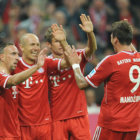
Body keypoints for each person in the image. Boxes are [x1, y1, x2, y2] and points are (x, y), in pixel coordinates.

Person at [64, 20, 140, 140]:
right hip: (133, 125)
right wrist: (125, 30)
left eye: (111, 38)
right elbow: (131, 50)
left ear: (115, 40)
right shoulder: (138, 58)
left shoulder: (111, 61)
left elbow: (82, 83)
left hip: (111, 125)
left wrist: (75, 65)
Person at [45, 14, 97, 140]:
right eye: (56, 41)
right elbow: (68, 62)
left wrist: (90, 34)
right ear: (48, 45)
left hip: (78, 115)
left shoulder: (76, 54)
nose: (60, 44)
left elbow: (91, 49)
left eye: (61, 40)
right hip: (57, 117)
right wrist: (64, 42)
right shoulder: (47, 62)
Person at [14, 33, 68, 140]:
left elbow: (68, 62)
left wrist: (63, 42)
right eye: (32, 44)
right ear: (22, 47)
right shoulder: (15, 65)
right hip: (22, 125)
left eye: (37, 45)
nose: (36, 48)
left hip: (44, 124)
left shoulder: (45, 62)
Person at [0, 42, 47, 139]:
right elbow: (12, 81)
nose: (17, 58)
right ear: (2, 57)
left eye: (18, 54)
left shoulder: (12, 75)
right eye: (13, 54)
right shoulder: (3, 76)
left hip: (15, 133)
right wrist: (36, 67)